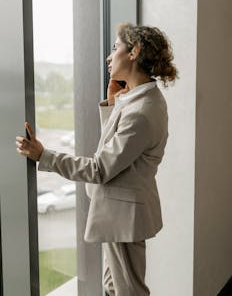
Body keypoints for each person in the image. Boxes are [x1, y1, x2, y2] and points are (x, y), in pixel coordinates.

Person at [16, 23, 178, 296]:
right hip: (122, 214)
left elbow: (100, 168)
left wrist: (44, 156)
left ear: (134, 52)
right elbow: (117, 150)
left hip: (123, 217)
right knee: (114, 287)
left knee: (128, 291)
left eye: (115, 48)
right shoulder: (143, 100)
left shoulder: (141, 111)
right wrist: (113, 104)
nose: (108, 56)